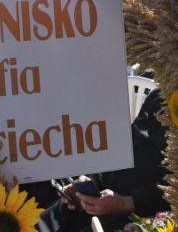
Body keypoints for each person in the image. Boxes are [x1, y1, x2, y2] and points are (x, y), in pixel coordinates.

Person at [40, 89, 169, 232]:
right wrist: (91, 182)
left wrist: (125, 204)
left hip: (139, 216)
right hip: (104, 196)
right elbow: (125, 148)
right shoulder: (159, 96)